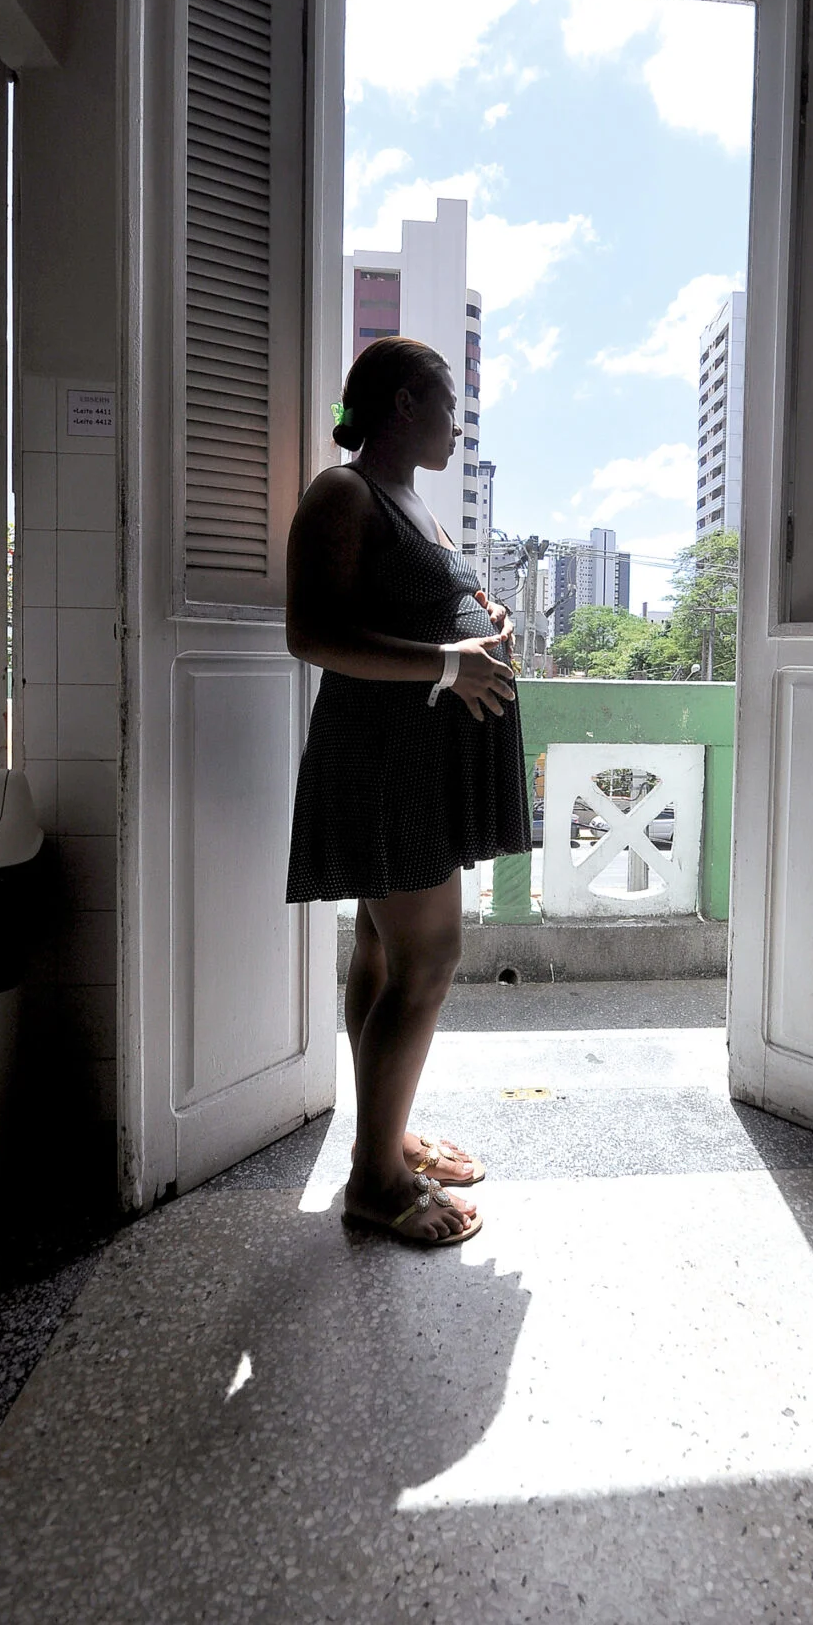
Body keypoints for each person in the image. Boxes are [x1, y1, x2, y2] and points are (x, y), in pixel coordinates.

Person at [286, 336, 531, 1247]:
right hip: (384, 759)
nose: (457, 426)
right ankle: (376, 1184)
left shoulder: (410, 501)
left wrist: (480, 617)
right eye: (447, 405)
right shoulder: (342, 493)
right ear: (402, 404)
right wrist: (448, 663)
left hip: (418, 758)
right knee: (427, 961)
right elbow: (312, 634)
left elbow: (421, 607)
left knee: (384, 955)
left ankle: (381, 1139)